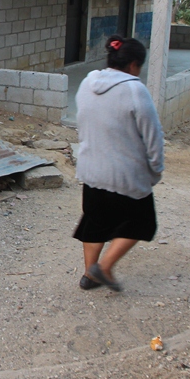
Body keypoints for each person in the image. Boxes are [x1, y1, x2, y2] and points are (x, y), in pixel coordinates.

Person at [73, 35, 164, 292]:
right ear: (134, 64)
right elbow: (153, 136)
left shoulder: (87, 83)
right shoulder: (135, 90)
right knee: (142, 223)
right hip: (125, 175)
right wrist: (156, 169)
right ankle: (103, 268)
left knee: (95, 221)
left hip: (91, 169)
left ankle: (89, 276)